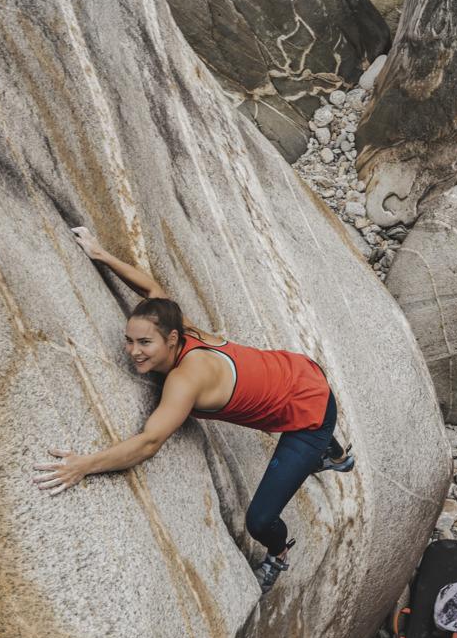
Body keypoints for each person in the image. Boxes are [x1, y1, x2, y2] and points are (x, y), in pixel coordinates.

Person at [34, 227, 354, 593]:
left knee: (260, 519)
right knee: (313, 423)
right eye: (129, 341)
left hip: (309, 414)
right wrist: (101, 254)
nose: (134, 351)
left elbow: (148, 442)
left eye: (144, 343)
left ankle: (279, 553)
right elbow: (152, 291)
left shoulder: (185, 380)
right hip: (300, 371)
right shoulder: (180, 326)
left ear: (170, 340)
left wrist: (82, 466)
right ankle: (337, 454)